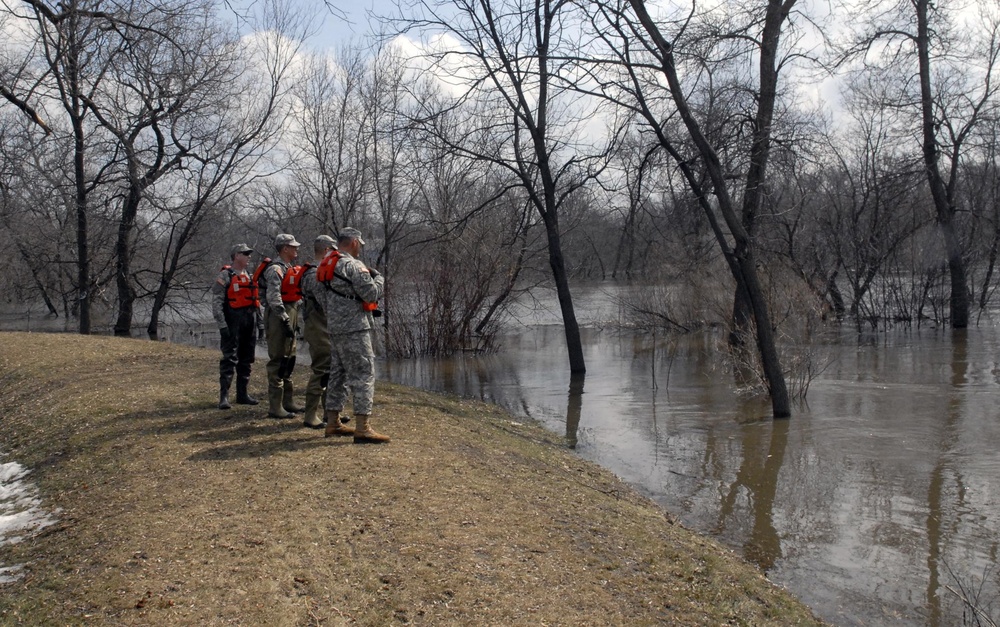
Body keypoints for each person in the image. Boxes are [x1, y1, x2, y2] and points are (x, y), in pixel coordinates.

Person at [319, 227, 388, 442]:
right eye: (360, 245)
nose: (360, 250)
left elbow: (320, 297)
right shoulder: (353, 265)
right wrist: (379, 279)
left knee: (338, 374)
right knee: (364, 374)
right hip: (356, 328)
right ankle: (363, 427)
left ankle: (333, 422)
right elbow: (370, 293)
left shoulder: (326, 264)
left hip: (335, 328)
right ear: (355, 242)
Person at [298, 234, 345, 430]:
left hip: (326, 326)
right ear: (326, 250)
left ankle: (330, 411)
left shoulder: (322, 272)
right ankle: (310, 415)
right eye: (333, 250)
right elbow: (324, 303)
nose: (336, 254)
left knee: (331, 369)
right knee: (321, 370)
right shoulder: (313, 275)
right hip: (318, 328)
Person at [211, 243, 262, 410]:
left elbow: (257, 302)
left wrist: (260, 324)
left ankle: (242, 394)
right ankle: (224, 397)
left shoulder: (250, 276)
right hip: (232, 322)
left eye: (249, 254)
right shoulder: (225, 276)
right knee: (229, 359)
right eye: (245, 253)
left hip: (250, 321)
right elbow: (216, 302)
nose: (249, 256)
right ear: (236, 256)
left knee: (246, 359)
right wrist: (222, 325)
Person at [260, 233, 306, 418]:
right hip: (278, 317)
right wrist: (284, 318)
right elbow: (273, 297)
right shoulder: (275, 270)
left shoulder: (289, 268)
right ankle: (275, 406)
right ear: (284, 249)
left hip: (292, 312)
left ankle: (288, 401)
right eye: (293, 246)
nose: (296, 249)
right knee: (278, 359)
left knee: (290, 357)